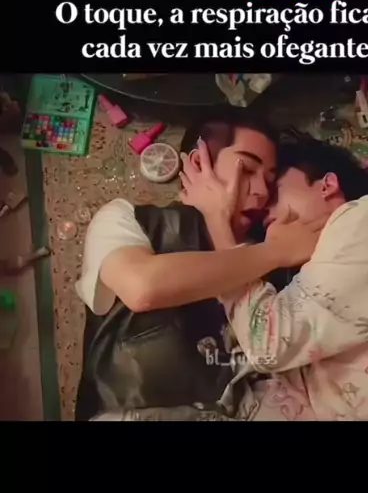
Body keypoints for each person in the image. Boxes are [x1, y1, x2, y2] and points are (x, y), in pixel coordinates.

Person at [180, 134, 368, 421]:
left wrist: (218, 219)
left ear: (327, 185)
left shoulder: (365, 219)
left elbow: (269, 342)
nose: (265, 210)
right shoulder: (333, 264)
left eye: (276, 192)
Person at [74, 107, 322, 421]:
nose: (261, 192)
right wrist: (275, 252)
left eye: (269, 182)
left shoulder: (278, 270)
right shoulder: (129, 219)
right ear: (198, 164)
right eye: (247, 169)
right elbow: (142, 287)